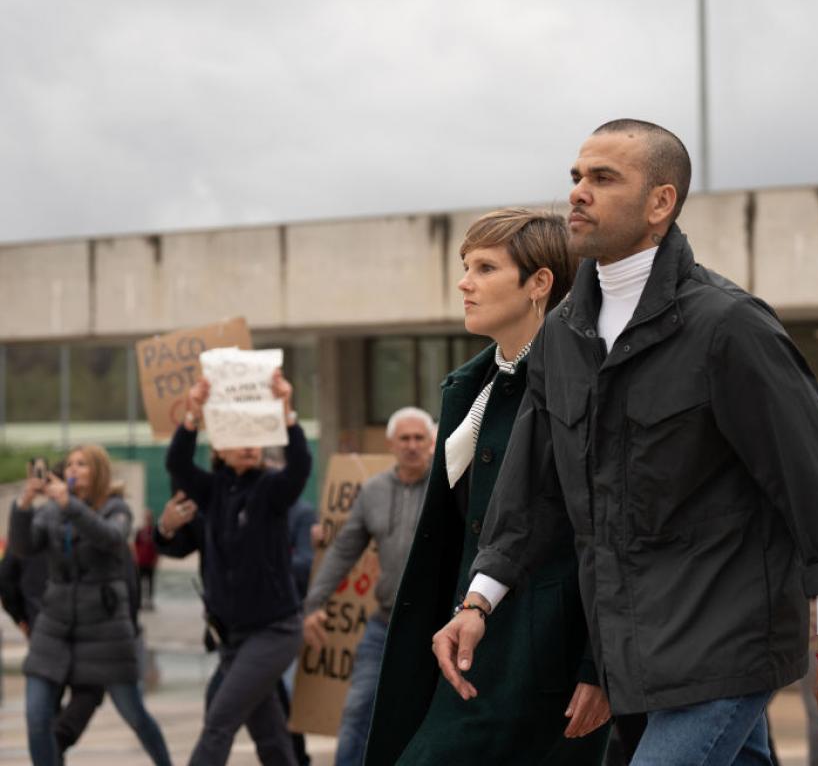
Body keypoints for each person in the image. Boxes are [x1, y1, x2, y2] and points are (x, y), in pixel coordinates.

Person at [429, 120, 818, 765]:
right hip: (632, 654)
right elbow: (534, 490)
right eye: (577, 177)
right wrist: (478, 601)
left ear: (661, 203)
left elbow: (812, 480)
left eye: (604, 178)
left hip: (727, 642)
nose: (579, 192)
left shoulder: (729, 326)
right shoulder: (562, 336)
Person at [364, 208, 610, 765]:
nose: (464, 282)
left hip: (543, 655)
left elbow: (605, 531)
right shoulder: (472, 385)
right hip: (464, 642)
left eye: (484, 267)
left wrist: (599, 667)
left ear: (539, 284)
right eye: (465, 265)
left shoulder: (582, 384)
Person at [167, 367, 312, 766]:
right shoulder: (212, 492)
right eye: (239, 439)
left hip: (275, 630)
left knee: (219, 720)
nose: (249, 447)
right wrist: (193, 413)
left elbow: (299, 467)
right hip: (233, 636)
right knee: (268, 734)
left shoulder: (271, 490)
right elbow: (178, 462)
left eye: (256, 440)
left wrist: (287, 408)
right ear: (220, 448)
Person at [10, 445, 172, 766]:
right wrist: (24, 504)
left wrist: (70, 505)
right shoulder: (51, 511)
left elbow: (110, 538)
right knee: (37, 715)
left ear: (97, 472)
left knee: (134, 713)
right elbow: (24, 546)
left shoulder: (116, 509)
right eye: (69, 464)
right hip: (55, 627)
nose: (72, 470)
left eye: (81, 464)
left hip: (105, 630)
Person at [302, 406, 434, 766]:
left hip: (438, 628)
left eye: (418, 438)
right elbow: (343, 551)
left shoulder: (449, 489)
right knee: (359, 712)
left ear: (433, 443)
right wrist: (314, 604)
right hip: (383, 627)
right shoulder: (372, 491)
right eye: (404, 439)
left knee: (430, 719)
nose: (411, 446)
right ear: (391, 444)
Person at [134, 507, 159, 610]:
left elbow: (158, 547)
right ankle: (139, 602)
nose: (147, 518)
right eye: (146, 517)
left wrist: (156, 560)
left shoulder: (154, 531)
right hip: (141, 561)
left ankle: (150, 602)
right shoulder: (140, 531)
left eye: (149, 517)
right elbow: (135, 545)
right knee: (139, 583)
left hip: (150, 562)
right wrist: (135, 558)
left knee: (150, 583)